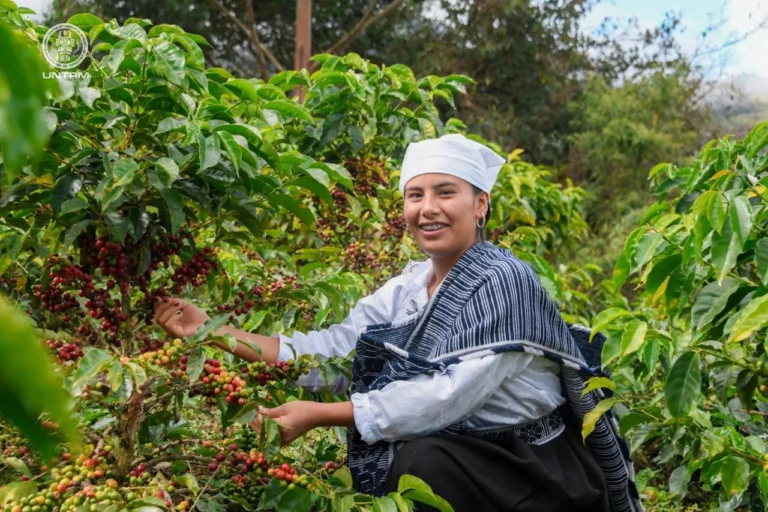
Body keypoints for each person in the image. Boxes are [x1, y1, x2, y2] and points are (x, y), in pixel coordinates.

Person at [153, 134, 641, 512]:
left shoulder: (506, 281)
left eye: (445, 192)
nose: (427, 208)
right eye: (415, 195)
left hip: (534, 471)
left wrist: (324, 414)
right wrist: (213, 333)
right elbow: (335, 350)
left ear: (481, 204)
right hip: (468, 458)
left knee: (417, 462)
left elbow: (447, 395)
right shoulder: (409, 287)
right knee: (414, 459)